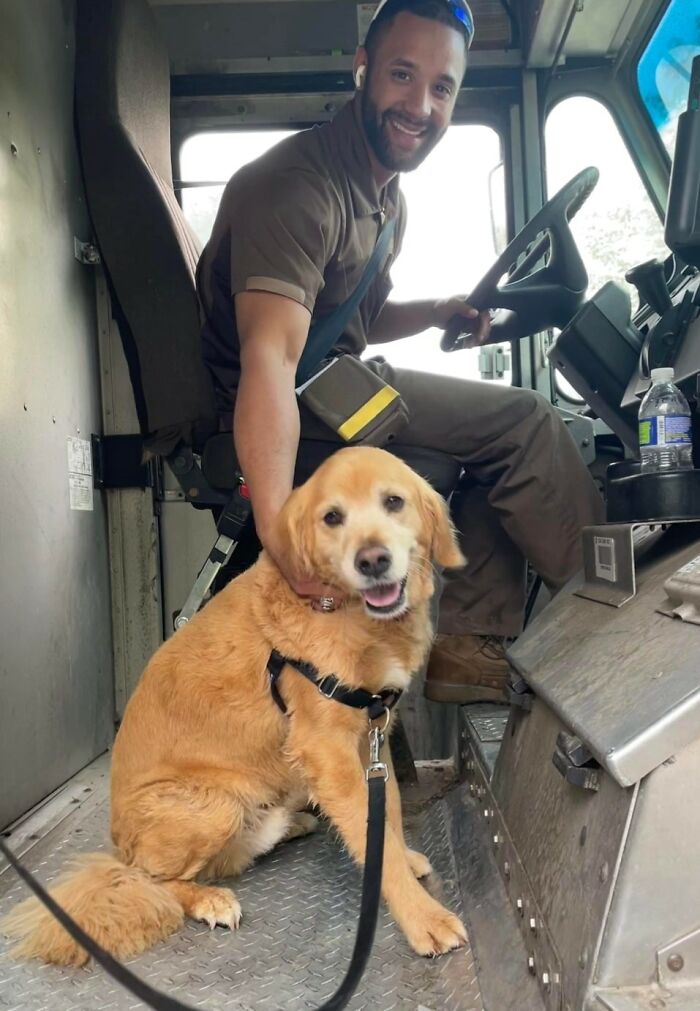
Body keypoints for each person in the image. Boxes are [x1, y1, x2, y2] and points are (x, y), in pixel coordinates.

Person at [196, 0, 604, 704]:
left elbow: (355, 314)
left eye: (441, 88)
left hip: (333, 386)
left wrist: (438, 311)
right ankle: (611, 630)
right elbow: (271, 356)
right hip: (286, 401)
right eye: (402, 75)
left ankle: (468, 648)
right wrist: (280, 536)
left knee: (492, 438)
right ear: (363, 68)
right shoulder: (297, 190)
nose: (420, 104)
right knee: (526, 424)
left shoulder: (385, 197)